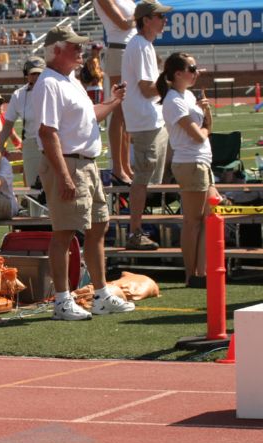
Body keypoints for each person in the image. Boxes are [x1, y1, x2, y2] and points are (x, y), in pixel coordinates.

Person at [31, 25, 135, 320]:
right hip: (68, 163)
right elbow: (48, 132)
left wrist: (114, 101)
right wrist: (63, 175)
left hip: (85, 162)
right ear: (57, 50)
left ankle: (100, 294)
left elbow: (90, 116)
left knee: (98, 226)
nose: (81, 51)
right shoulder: (49, 82)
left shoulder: (69, 79)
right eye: (74, 46)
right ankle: (62, 300)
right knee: (64, 233)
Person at [158, 53, 218, 288]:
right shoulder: (174, 100)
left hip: (200, 161)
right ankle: (190, 274)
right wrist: (205, 128)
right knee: (193, 221)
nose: (196, 72)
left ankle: (201, 273)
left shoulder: (188, 96)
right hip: (190, 162)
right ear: (177, 74)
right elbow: (197, 135)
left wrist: (205, 117)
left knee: (207, 219)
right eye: (192, 68)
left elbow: (205, 129)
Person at [120, 0, 172, 251]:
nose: (164, 21)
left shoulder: (144, 45)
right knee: (142, 179)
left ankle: (141, 229)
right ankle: (135, 231)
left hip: (150, 120)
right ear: (146, 19)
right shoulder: (140, 46)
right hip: (145, 121)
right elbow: (147, 88)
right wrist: (173, 80)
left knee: (154, 176)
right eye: (160, 17)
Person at [94, 0, 136, 185]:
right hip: (118, 50)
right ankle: (118, 168)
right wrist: (141, 15)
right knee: (119, 113)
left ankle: (125, 166)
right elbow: (122, 23)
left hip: (129, 49)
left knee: (127, 117)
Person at [0, 56, 45, 188]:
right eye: (33, 73)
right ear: (26, 74)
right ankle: (34, 208)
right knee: (33, 186)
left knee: (53, 186)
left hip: (53, 142)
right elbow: (8, 124)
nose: (36, 77)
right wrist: (0, 145)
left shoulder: (53, 90)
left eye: (39, 73)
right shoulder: (18, 95)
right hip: (31, 144)